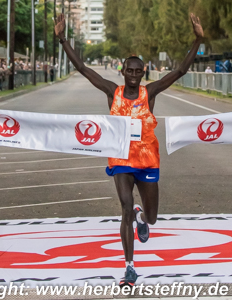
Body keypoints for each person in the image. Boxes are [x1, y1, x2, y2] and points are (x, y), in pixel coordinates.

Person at [54, 12, 203, 286]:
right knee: (123, 206)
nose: (133, 75)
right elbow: (84, 69)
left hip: (148, 162)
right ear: (123, 72)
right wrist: (63, 38)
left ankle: (141, 216)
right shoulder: (113, 92)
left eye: (138, 71)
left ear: (143, 72)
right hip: (121, 158)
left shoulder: (151, 92)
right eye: (129, 70)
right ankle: (130, 267)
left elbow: (180, 71)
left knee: (153, 218)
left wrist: (198, 39)